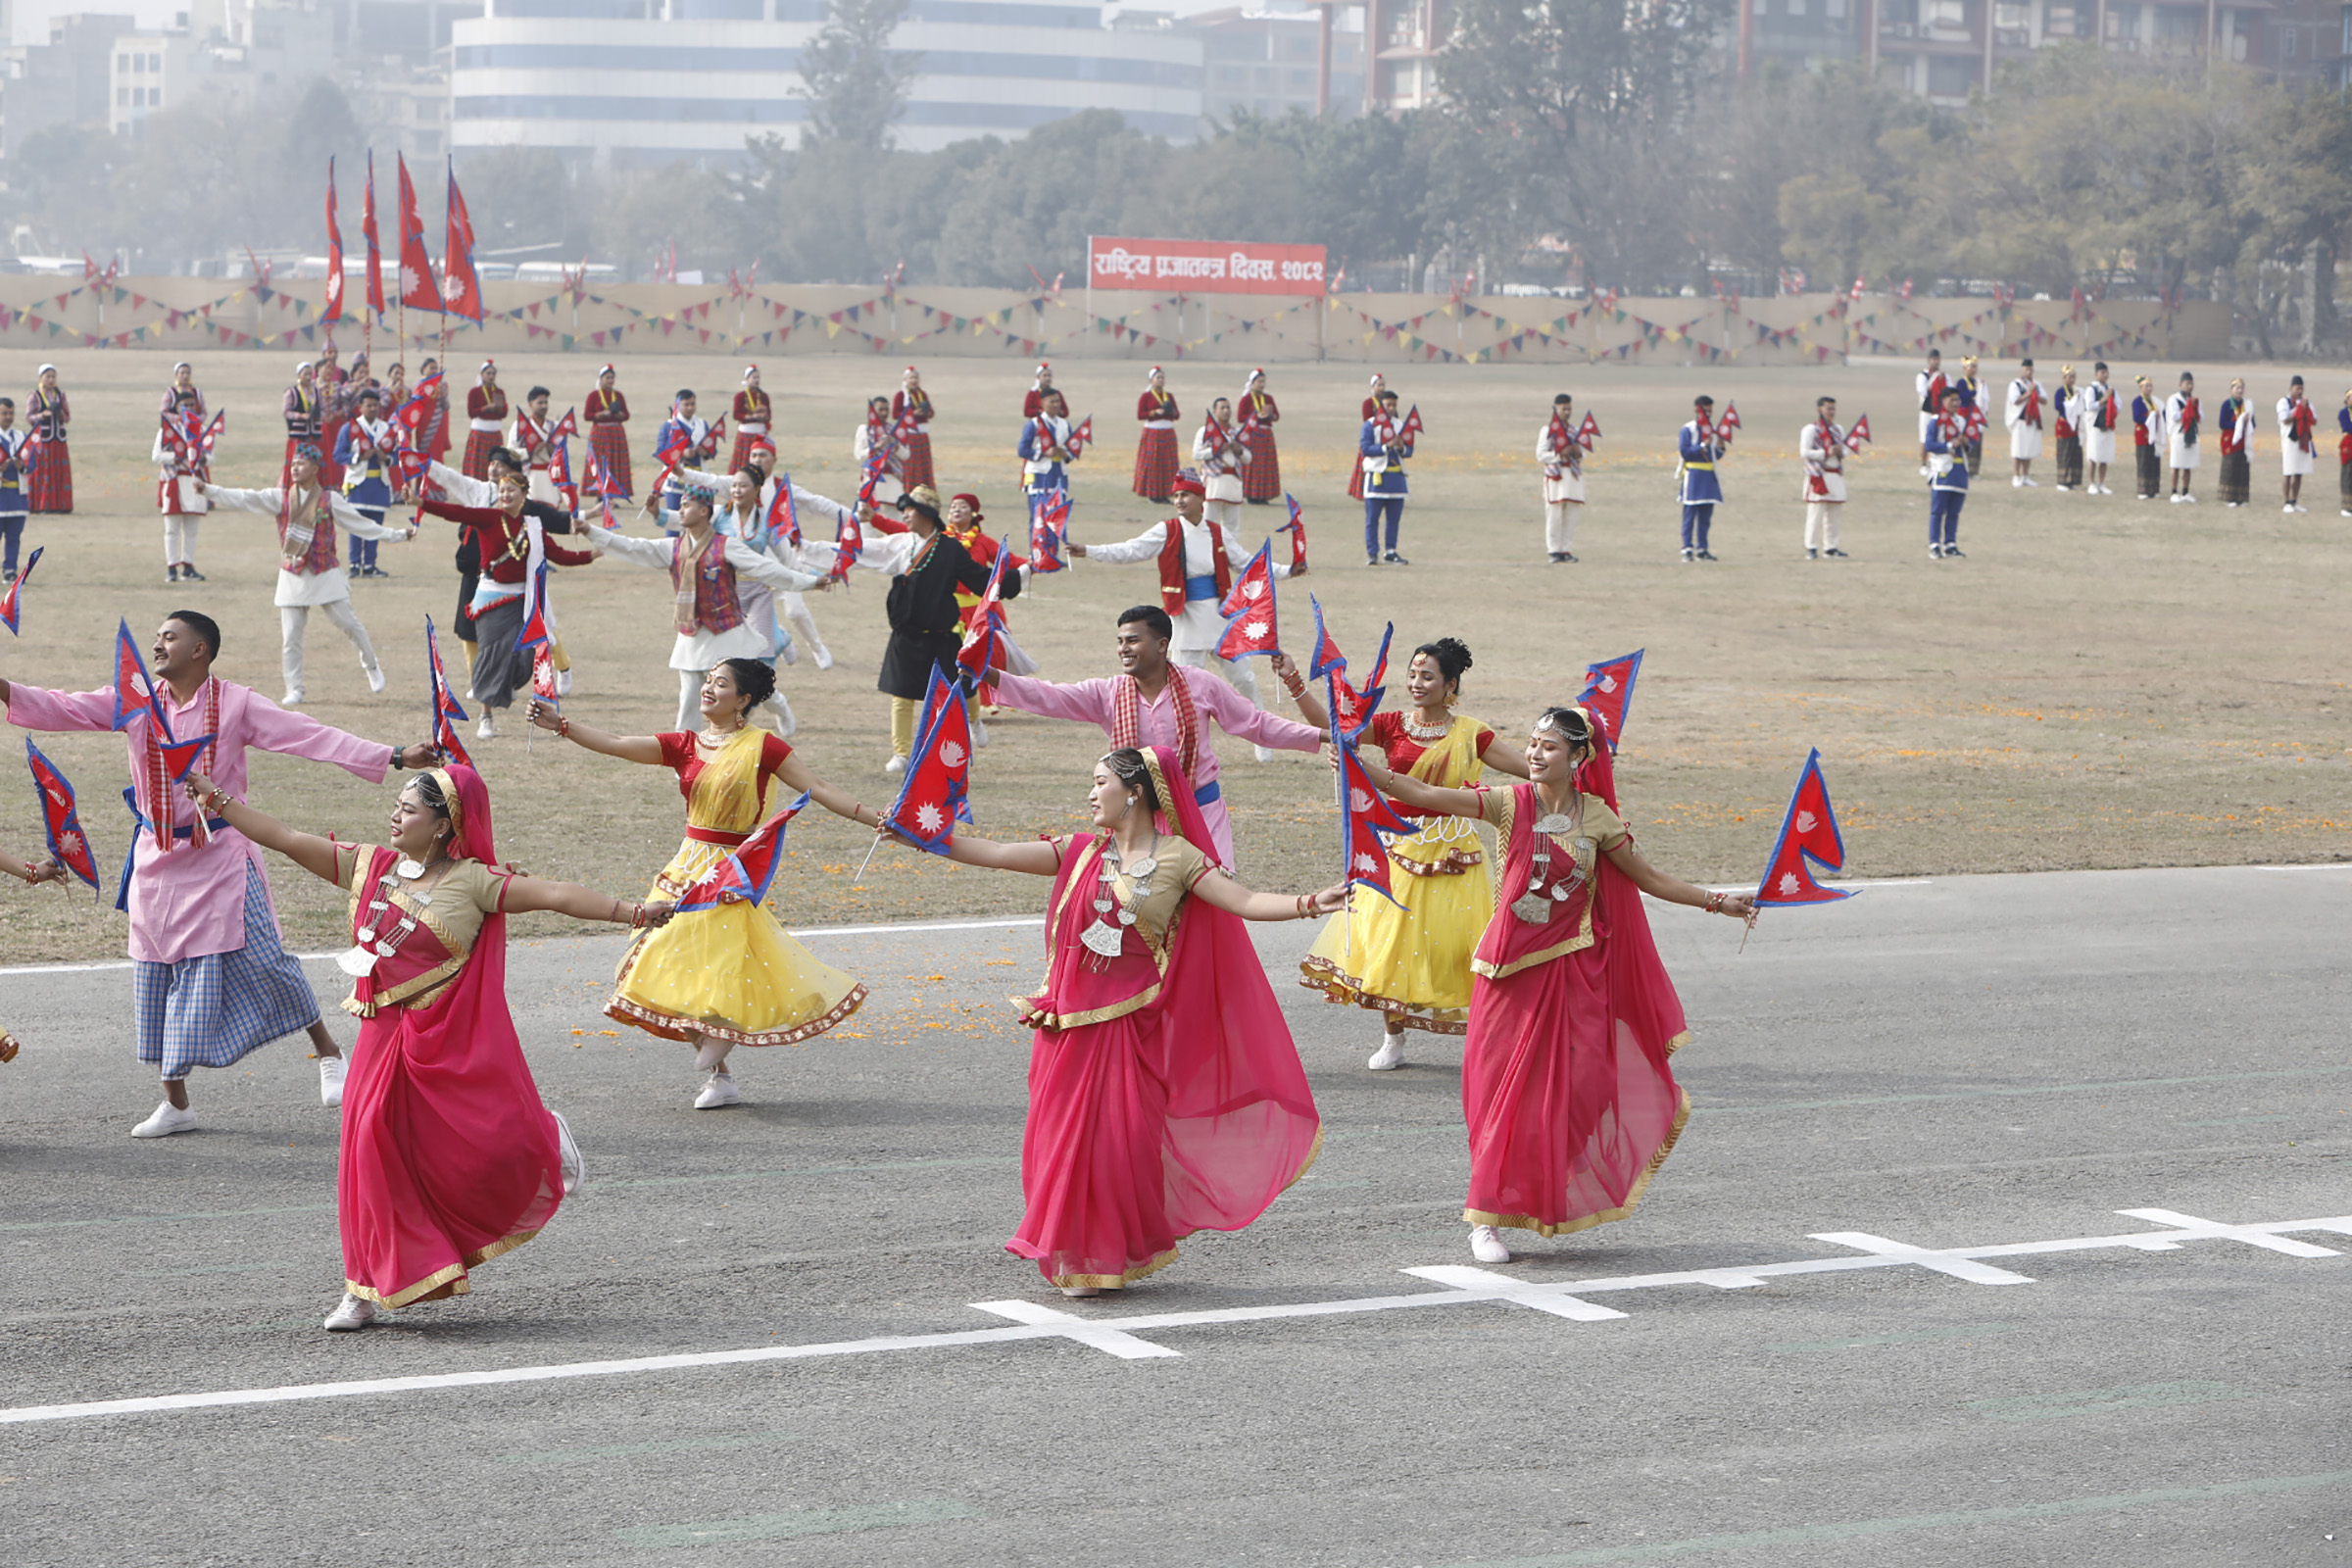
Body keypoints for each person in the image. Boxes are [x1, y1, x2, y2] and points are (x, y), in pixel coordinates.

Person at [188, 763, 652, 1328]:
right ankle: (361, 1287)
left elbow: (555, 895)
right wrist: (216, 799)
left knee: (486, 1144)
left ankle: (544, 1138)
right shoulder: (370, 866)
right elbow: (284, 838)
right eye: (397, 805)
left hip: (443, 1038)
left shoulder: (475, 881)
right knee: (366, 1148)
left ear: (442, 824)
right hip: (381, 1034)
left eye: (409, 809)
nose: (395, 815)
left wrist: (633, 912)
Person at [879, 744, 1337, 1295]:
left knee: (1116, 1148)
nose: (1091, 793)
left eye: (1101, 783)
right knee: (1059, 1145)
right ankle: (1076, 1251)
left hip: (1128, 1030)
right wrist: (921, 838)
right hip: (1065, 1027)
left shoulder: (1180, 858)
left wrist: (1312, 901)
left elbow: (1244, 901)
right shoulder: (1077, 851)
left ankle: (1104, 1254)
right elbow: (995, 851)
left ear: (1136, 790)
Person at [2, 612, 440, 1136]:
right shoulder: (135, 698)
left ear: (200, 650)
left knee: (266, 958)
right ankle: (176, 1104)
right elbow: (65, 705)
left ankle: (329, 1052)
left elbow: (309, 736)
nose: (157, 645)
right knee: (158, 973)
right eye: (156, 636)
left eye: (170, 637)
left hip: (222, 851)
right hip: (157, 857)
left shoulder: (236, 703)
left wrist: (391, 755)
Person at [1358, 705, 1754, 1262]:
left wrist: (1718, 902)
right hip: (1507, 977)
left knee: (1586, 1087)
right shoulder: (1508, 803)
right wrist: (1356, 762)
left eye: (1549, 746)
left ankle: (1540, 1182)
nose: (1536, 753)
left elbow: (1649, 879)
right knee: (1501, 1099)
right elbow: (1420, 793)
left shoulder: (1598, 819)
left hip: (1573, 972)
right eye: (1533, 744)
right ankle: (1485, 1220)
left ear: (1578, 758)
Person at [527, 660, 868, 1111]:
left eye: (720, 684)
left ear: (743, 700)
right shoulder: (686, 744)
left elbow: (819, 786)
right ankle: (720, 1077)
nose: (708, 689)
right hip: (684, 868)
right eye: (707, 681)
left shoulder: (763, 746)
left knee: (717, 967)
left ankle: (723, 1033)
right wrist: (562, 725)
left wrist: (877, 820)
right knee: (657, 958)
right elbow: (616, 744)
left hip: (730, 873)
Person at [1288, 638, 1528, 1069]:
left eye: (1428, 676)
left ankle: (1493, 1038)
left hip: (1453, 853)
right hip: (1396, 849)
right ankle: (1393, 1038)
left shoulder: (1472, 734)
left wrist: (1577, 763)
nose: (1417, 683)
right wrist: (1294, 683)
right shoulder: (1393, 723)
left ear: (1450, 684)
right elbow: (1334, 729)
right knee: (1392, 946)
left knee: (1462, 949)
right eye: (1413, 674)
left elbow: (1528, 769)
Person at [983, 606, 1323, 868]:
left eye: (1132, 640)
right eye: (1120, 641)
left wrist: (1321, 735)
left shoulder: (1200, 684)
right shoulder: (1109, 693)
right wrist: (990, 675)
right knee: (1144, 906)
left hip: (1200, 811)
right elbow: (1049, 696)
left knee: (1215, 897)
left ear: (1162, 645)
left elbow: (1256, 725)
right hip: (1138, 819)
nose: (1123, 649)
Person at [1067, 470, 1302, 761]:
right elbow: (1131, 550)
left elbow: (1246, 562)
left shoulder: (1216, 532)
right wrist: (1089, 550)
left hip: (1219, 618)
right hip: (1183, 619)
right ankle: (1175, 745)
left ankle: (1263, 737)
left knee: (1244, 678)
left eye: (1185, 495)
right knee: (1178, 688)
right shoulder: (1166, 530)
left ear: (1201, 498)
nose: (1179, 500)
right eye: (1176, 495)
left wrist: (1287, 571)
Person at [577, 487, 830, 731]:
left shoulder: (726, 546)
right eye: (682, 505)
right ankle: (684, 757)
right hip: (691, 632)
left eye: (687, 505)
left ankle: (781, 707)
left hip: (727, 631)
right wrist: (590, 530)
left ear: (704, 511)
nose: (682, 509)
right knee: (689, 698)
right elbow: (632, 546)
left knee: (751, 689)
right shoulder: (673, 548)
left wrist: (810, 581)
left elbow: (768, 569)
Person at [197, 445, 412, 706]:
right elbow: (245, 497)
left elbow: (362, 525)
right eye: (293, 464)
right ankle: (295, 688)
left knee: (349, 623)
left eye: (301, 463)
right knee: (291, 638)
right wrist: (209, 490)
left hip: (325, 570)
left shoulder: (331, 500)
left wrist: (397, 535)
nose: (295, 468)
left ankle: (372, 666)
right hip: (293, 572)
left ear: (315, 469)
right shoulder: (280, 498)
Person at [850, 485, 1023, 773]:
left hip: (943, 632)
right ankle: (902, 753)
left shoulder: (951, 549)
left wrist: (1019, 577)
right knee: (901, 695)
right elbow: (864, 551)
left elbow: (982, 579)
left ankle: (974, 719)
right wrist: (812, 551)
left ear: (926, 514)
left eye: (910, 510)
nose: (904, 514)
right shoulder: (903, 544)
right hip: (907, 633)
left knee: (963, 687)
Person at [417, 467, 598, 736]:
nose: (505, 494)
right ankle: (485, 717)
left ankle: (507, 686)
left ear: (523, 495)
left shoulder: (533, 526)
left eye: (511, 490)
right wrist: (421, 503)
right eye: (502, 491)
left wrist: (591, 555)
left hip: (524, 600)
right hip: (491, 597)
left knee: (528, 654)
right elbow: (454, 513)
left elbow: (558, 554)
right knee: (490, 655)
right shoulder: (489, 518)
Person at [674, 440, 836, 674]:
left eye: (763, 455)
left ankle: (814, 648)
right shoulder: (736, 484)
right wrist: (681, 472)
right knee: (738, 643)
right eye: (753, 455)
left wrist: (847, 517)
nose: (757, 459)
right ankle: (779, 639)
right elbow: (707, 481)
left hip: (771, 563)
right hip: (732, 579)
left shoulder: (782, 487)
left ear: (773, 460)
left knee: (795, 611)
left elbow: (815, 504)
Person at [336, 387, 397, 579]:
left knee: (375, 526)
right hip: (357, 485)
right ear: (360, 407)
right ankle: (354, 564)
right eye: (368, 405)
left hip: (379, 484)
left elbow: (397, 455)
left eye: (375, 405)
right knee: (356, 526)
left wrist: (385, 458)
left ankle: (370, 564)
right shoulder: (350, 428)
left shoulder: (387, 429)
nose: (372, 408)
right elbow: (338, 455)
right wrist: (359, 457)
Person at [157, 362, 209, 584]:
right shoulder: (166, 431)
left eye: (191, 405)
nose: (188, 408)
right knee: (172, 528)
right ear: (176, 408)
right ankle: (171, 567)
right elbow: (156, 455)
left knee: (191, 528)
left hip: (194, 481)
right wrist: (175, 459)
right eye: (184, 405)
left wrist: (202, 457)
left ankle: (188, 566)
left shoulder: (201, 431)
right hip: (173, 481)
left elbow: (211, 454)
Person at [1360, 388, 1412, 566]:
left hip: (1397, 479)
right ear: (1380, 406)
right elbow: (1365, 448)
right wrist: (1385, 446)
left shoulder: (1401, 425)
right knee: (1372, 519)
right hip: (1377, 479)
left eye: (1394, 405)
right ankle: (1372, 553)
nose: (1391, 408)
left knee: (1393, 519)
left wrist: (1400, 447)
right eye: (1388, 404)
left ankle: (1390, 552)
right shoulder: (1370, 425)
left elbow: (1409, 450)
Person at [1677, 395, 1729, 563]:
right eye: (1705, 410)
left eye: (1710, 410)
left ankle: (1703, 548)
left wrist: (1720, 445)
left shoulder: (1713, 430)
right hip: (1693, 475)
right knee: (1690, 514)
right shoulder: (1688, 429)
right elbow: (1685, 452)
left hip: (1708, 476)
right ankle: (1687, 548)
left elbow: (1715, 456)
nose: (1708, 413)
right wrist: (1702, 445)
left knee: (1706, 516)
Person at [1537, 392, 1589, 564]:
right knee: (1554, 515)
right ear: (1556, 409)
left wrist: (1577, 453)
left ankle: (1566, 549)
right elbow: (1540, 455)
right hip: (1556, 476)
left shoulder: (1574, 430)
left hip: (1573, 476)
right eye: (1563, 408)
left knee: (1571, 515)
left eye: (1569, 408)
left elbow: (1584, 453)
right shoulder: (1548, 430)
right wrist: (1559, 455)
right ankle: (1553, 550)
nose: (1567, 412)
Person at [1019, 387, 1078, 532]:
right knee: (1038, 519)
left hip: (1059, 476)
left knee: (1057, 521)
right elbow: (1022, 450)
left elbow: (1072, 448)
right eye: (1052, 401)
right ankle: (1035, 553)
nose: (1056, 405)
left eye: (1058, 401)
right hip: (1039, 475)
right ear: (1043, 403)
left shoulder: (1064, 424)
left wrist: (1066, 454)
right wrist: (1045, 453)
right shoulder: (1033, 424)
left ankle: (1054, 553)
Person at [1798, 395, 1850, 561]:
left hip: (1835, 473)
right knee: (1816, 514)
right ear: (1819, 410)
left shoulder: (1838, 430)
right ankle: (1811, 546)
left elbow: (1846, 449)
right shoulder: (1811, 430)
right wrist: (1825, 453)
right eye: (1828, 408)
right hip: (1818, 474)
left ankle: (1831, 547)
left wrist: (1841, 452)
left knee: (1834, 514)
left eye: (1833, 408)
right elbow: (1804, 452)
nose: (1831, 412)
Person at [510, 384, 569, 513]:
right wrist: (531, 452)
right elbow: (511, 452)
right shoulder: (520, 426)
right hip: (529, 474)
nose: (544, 406)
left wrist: (550, 449)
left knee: (550, 513)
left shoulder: (554, 426)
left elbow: (562, 454)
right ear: (531, 404)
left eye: (546, 402)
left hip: (549, 477)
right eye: (540, 403)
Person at [1193, 397, 1249, 532]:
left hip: (1233, 482)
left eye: (1228, 408)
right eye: (1222, 408)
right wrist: (1215, 451)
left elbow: (1248, 458)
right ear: (1214, 411)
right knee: (1208, 523)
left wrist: (1240, 451)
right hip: (1213, 481)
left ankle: (1229, 553)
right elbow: (1197, 454)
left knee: (1232, 527)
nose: (1226, 411)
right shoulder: (1205, 432)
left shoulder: (1237, 433)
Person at [657, 389, 715, 514]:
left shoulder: (702, 424)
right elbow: (661, 452)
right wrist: (681, 453)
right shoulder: (669, 426)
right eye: (686, 404)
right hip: (675, 478)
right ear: (678, 405)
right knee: (675, 516)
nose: (690, 408)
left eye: (692, 404)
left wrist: (704, 452)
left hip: (699, 476)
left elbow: (711, 449)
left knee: (700, 517)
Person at [1926, 387, 1969, 560]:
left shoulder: (1962, 421)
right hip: (1943, 469)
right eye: (1952, 400)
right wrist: (1949, 446)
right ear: (1943, 401)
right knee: (1937, 511)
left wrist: (1966, 442)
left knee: (1954, 511)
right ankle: (1934, 544)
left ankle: (1950, 544)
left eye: (1957, 400)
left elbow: (1969, 445)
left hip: (1959, 471)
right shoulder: (1935, 421)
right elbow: (1929, 444)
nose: (1956, 403)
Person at [1132, 366, 1180, 503]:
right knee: (1153, 463)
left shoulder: (1169, 396)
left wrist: (1170, 412)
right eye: (1158, 378)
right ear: (1151, 380)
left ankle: (1165, 493)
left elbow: (1177, 414)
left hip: (1168, 431)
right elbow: (1140, 414)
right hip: (1152, 432)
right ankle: (1152, 494)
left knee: (1167, 463)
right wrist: (1154, 412)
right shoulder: (1146, 396)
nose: (1160, 380)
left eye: (1162, 378)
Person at [27, 365, 70, 514]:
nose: (51, 380)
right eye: (48, 376)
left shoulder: (60, 395)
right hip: (42, 440)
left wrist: (59, 414)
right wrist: (42, 415)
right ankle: (42, 504)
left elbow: (67, 417)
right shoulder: (35, 396)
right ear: (41, 378)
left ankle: (61, 505)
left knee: (59, 472)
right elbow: (29, 417)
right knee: (44, 472)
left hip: (58, 439)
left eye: (53, 376)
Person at [586, 364, 633, 499]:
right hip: (600, 433)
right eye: (607, 378)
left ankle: (612, 494)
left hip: (615, 434)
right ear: (601, 379)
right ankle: (599, 494)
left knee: (614, 463)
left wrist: (619, 415)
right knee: (600, 463)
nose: (610, 380)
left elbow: (626, 415)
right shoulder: (594, 395)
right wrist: (600, 415)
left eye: (612, 378)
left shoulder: (618, 395)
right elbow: (587, 415)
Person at [1239, 368, 1282, 503]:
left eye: (1263, 382)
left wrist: (1271, 415)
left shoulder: (1268, 398)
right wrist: (1256, 416)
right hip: (1253, 436)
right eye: (1259, 382)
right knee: (1253, 466)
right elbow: (1240, 417)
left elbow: (1277, 416)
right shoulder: (1246, 399)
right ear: (1252, 383)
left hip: (1266, 435)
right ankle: (1251, 495)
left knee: (1266, 466)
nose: (1262, 384)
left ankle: (1264, 495)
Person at [281, 361, 324, 488]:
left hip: (314, 435)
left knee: (314, 463)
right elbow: (286, 412)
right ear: (298, 375)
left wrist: (318, 416)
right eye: (305, 374)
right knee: (297, 464)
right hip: (298, 436)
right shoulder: (291, 392)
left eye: (310, 374)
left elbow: (323, 409)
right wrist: (300, 416)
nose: (308, 377)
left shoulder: (317, 392)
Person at [893, 366, 936, 491]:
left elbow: (932, 413)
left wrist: (925, 413)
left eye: (915, 377)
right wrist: (912, 414)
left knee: (924, 464)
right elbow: (895, 414)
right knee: (911, 464)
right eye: (911, 378)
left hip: (922, 434)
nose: (913, 380)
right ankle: (910, 489)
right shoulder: (901, 395)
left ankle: (925, 489)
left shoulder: (922, 394)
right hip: (909, 435)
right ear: (905, 380)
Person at [2278, 374, 2317, 514]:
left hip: (2303, 440)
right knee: (2288, 471)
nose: (2300, 391)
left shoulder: (2307, 402)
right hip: (2289, 440)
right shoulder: (2284, 402)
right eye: (2297, 388)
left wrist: (2306, 409)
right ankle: (2286, 501)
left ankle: (2294, 501)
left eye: (2301, 388)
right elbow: (2284, 419)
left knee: (2299, 472)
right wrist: (2299, 410)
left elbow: (2315, 420)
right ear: (2291, 388)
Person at [2004, 358, 2045, 487]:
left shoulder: (2036, 384)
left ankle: (2026, 476)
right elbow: (2015, 400)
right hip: (2020, 421)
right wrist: (2029, 393)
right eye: (2026, 369)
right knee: (2018, 450)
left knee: (2028, 450)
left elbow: (2044, 400)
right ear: (2021, 370)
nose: (2029, 372)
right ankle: (2016, 476)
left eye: (2031, 369)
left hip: (2032, 420)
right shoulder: (2015, 385)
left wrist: (2035, 394)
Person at [2082, 362, 2119, 496]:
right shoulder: (2091, 389)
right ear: (2096, 374)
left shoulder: (2110, 389)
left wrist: (2112, 407)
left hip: (2107, 424)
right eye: (2102, 373)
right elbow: (2090, 406)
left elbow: (2118, 405)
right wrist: (2104, 400)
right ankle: (2091, 483)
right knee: (2093, 454)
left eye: (2106, 372)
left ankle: (2101, 483)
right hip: (2095, 425)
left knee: (2104, 455)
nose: (2105, 375)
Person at [0, 400, 26, 583]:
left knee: (14, 537)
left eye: (11, 413)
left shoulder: (21, 437)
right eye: (4, 413)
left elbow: (32, 463)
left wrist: (21, 466)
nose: (8, 417)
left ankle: (10, 569)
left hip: (17, 498)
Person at [2216, 378, 2253, 508]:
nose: (2240, 391)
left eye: (2241, 388)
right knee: (2230, 469)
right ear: (2231, 390)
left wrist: (2248, 421)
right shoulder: (2227, 404)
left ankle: (2241, 498)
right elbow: (2222, 423)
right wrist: (2238, 423)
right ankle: (2230, 498)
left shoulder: (2247, 405)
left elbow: (2253, 424)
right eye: (2237, 388)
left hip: (2243, 442)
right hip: (2230, 442)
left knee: (2242, 470)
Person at [2165, 371, 2201, 503]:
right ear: (2181, 385)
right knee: (2176, 464)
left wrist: (2194, 408)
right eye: (2187, 384)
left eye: (2191, 384)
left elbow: (2200, 417)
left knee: (2188, 464)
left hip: (2191, 433)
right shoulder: (2174, 399)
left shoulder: (2195, 400)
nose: (2190, 386)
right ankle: (2174, 492)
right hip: (2178, 434)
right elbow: (2174, 416)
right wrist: (2188, 408)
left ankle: (2185, 491)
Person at [854, 395, 905, 489]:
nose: (884, 413)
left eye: (886, 409)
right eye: (880, 410)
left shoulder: (894, 430)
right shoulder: (864, 430)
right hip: (871, 476)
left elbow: (906, 455)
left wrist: (894, 445)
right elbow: (859, 455)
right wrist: (875, 447)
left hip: (893, 476)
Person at [1349, 374, 1385, 504]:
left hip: (1384, 439)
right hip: (1371, 438)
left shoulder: (1386, 402)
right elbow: (1367, 420)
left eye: (1383, 385)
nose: (1381, 388)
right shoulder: (1368, 403)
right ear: (1373, 387)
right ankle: (1363, 492)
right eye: (1378, 385)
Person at [730, 366, 771, 474]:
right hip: (745, 433)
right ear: (747, 380)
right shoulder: (740, 396)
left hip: (760, 434)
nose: (757, 380)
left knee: (760, 463)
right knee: (743, 464)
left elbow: (769, 416)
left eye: (758, 377)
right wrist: (753, 417)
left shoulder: (764, 396)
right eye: (754, 377)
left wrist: (763, 416)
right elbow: (736, 415)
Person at [415, 356, 453, 467]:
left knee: (437, 456)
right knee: (424, 456)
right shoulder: (420, 385)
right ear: (424, 369)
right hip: (424, 426)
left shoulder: (442, 385)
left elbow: (446, 406)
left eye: (436, 368)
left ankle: (437, 484)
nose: (434, 371)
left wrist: (442, 392)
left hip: (438, 425)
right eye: (431, 368)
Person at [2051, 366, 2084, 492]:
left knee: (2074, 453)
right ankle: (2062, 480)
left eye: (2074, 377)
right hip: (2064, 425)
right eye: (2070, 377)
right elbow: (2058, 405)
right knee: (2064, 453)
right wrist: (2071, 402)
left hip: (2074, 426)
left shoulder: (2076, 391)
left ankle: (2072, 480)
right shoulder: (2060, 391)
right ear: (2064, 378)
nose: (2072, 379)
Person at [2131, 375, 2163, 501]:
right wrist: (2149, 416)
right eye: (2146, 386)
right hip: (2142, 435)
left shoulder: (2154, 402)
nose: (2149, 389)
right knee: (2143, 462)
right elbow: (2137, 417)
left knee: (2154, 462)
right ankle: (2143, 489)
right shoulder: (2138, 401)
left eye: (2150, 386)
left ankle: (2153, 489)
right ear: (2141, 388)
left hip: (2153, 435)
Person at [1914, 348, 1945, 475]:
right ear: (1929, 361)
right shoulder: (1922, 376)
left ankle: (1935, 463)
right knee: (1924, 438)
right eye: (1933, 359)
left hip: (1939, 411)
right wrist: (1934, 379)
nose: (1936, 362)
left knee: (1938, 437)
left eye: (1937, 359)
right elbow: (1923, 392)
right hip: (1926, 410)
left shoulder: (1943, 375)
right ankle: (1923, 463)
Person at [1953, 355, 1985, 475]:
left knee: (1976, 443)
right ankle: (1963, 468)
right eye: (1971, 366)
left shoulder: (1977, 382)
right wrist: (1975, 391)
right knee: (1965, 442)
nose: (1974, 369)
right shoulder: (1961, 382)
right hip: (1964, 416)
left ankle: (1974, 469)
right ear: (1965, 368)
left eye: (1975, 366)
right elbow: (1962, 397)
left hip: (1974, 416)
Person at [2339, 389, 2352, 517]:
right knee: (2347, 475)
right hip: (2349, 445)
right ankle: (2346, 506)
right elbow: (2347, 427)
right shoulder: (2344, 413)